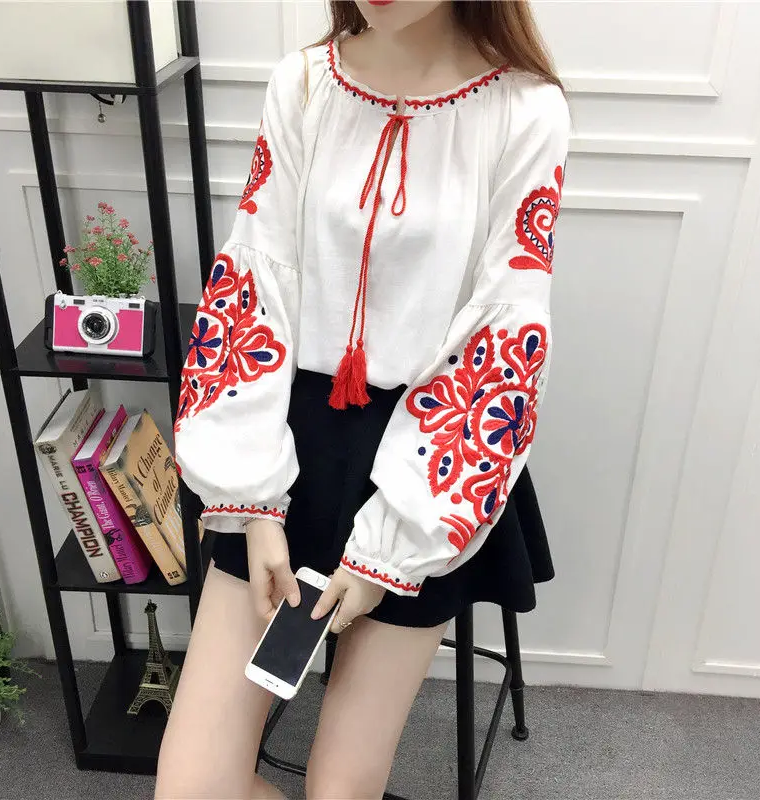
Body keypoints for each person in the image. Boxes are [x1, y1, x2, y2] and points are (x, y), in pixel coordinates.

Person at [155, 1, 569, 797]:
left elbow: (505, 331)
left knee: (339, 788)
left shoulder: (526, 110)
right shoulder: (305, 82)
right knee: (192, 788)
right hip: (284, 441)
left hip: (432, 460)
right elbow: (253, 280)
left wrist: (390, 551)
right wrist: (255, 506)